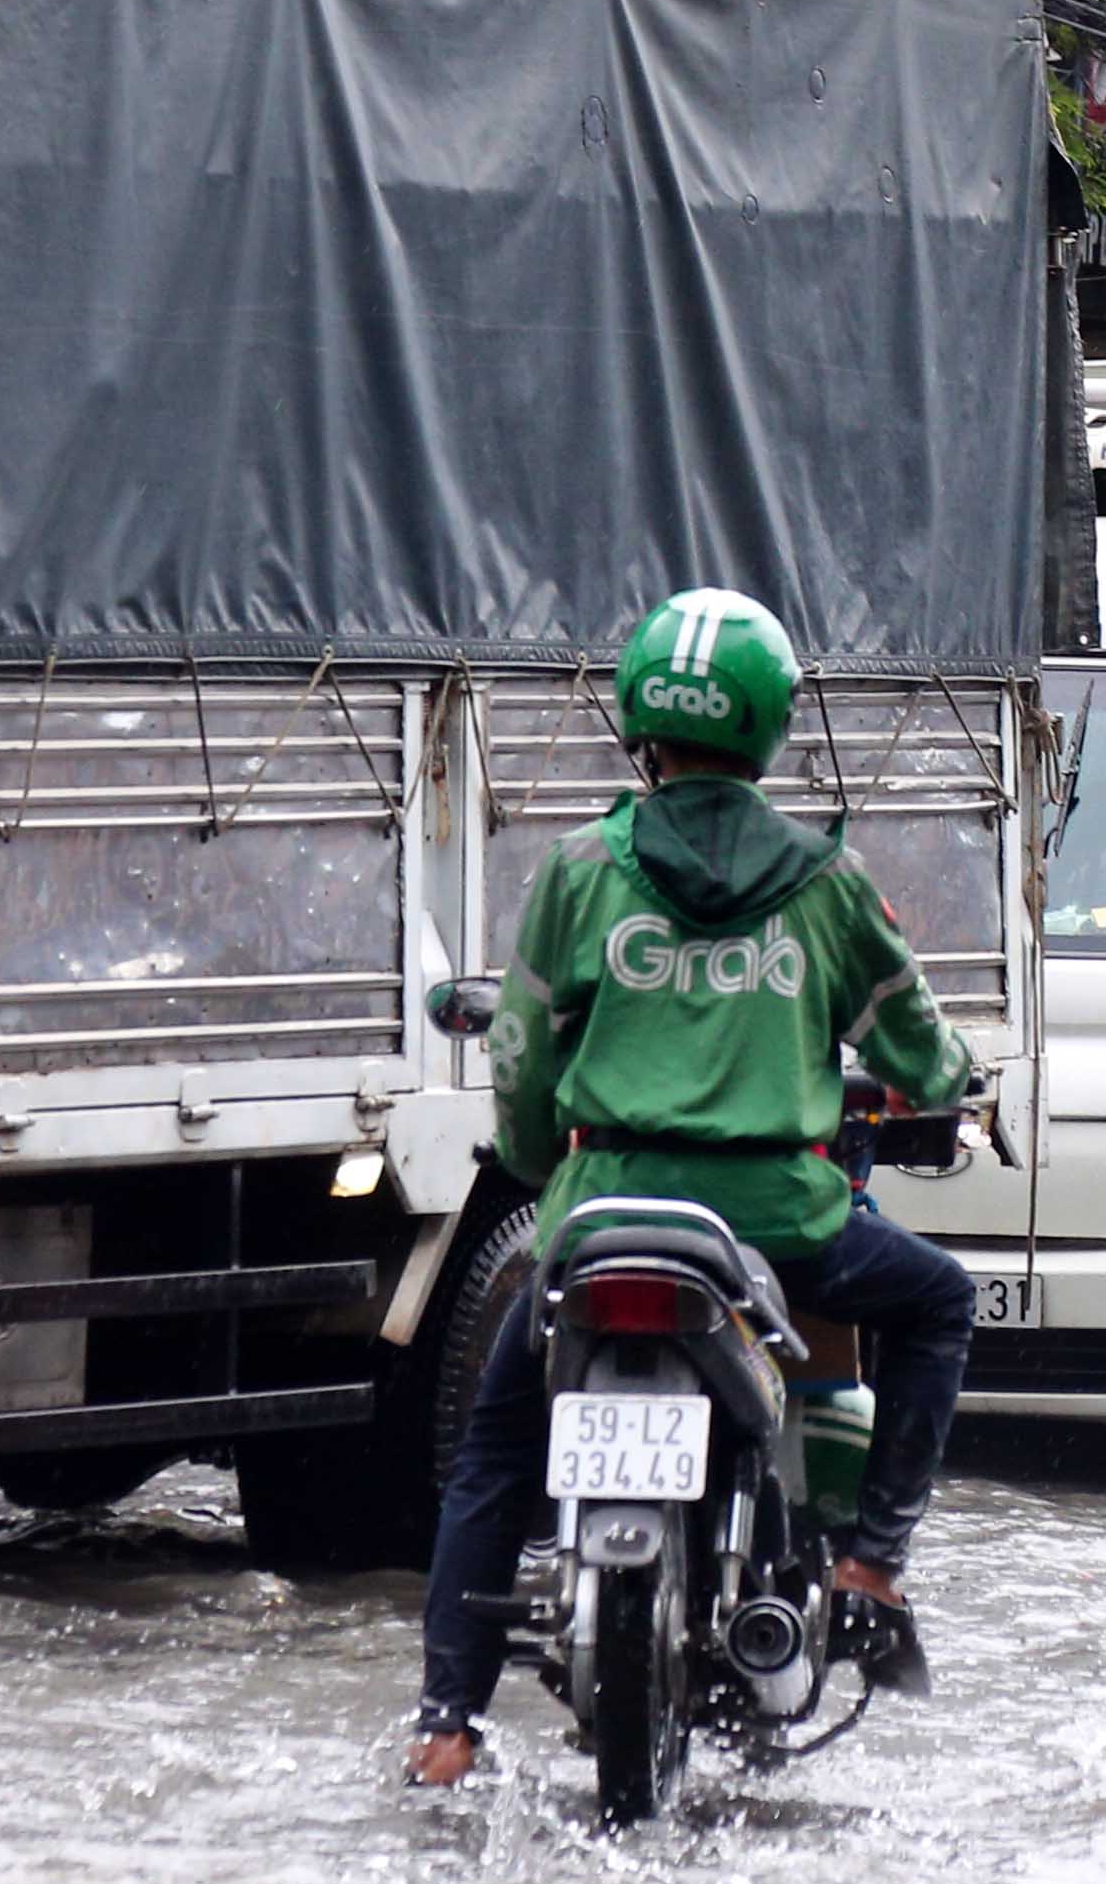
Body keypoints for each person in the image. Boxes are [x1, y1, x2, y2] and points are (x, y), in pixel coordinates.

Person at [410, 590, 983, 1789]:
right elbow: (918, 1049)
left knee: (495, 1453)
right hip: (781, 1227)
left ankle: (449, 1728)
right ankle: (871, 1565)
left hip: (601, 1219)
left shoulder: (580, 872)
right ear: (768, 727)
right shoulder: (828, 883)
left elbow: (519, 1058)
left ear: (639, 724)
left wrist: (539, 1162)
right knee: (937, 1302)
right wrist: (953, 1081)